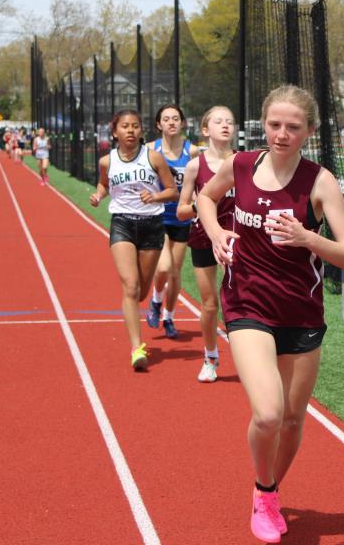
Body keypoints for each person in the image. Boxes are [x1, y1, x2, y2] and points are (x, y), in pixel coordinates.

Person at [196, 85, 344, 544]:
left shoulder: (319, 182)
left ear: (309, 131)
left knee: (291, 419)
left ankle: (266, 493)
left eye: (293, 126)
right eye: (274, 124)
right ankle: (266, 489)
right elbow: (206, 198)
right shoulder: (241, 165)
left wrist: (308, 238)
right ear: (263, 124)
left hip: (301, 312)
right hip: (247, 303)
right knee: (268, 414)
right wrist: (216, 234)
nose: (282, 134)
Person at [89, 110, 177, 370]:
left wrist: (155, 197)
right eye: (125, 126)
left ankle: (150, 302)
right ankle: (137, 348)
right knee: (130, 285)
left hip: (151, 225)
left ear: (141, 130)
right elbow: (103, 184)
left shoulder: (153, 157)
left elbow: (172, 191)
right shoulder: (107, 161)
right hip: (122, 224)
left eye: (135, 126)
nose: (130, 130)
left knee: (141, 291)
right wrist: (98, 195)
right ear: (115, 131)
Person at [176, 105, 236, 383]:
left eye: (230, 122)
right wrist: (202, 206)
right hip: (203, 236)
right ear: (205, 130)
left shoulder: (243, 162)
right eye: (218, 121)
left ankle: (251, 355)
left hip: (236, 237)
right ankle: (210, 357)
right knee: (210, 303)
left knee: (239, 300)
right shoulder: (195, 166)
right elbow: (181, 211)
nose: (225, 125)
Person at [145, 104, 199, 339]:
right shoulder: (150, 149)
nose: (171, 122)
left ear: (182, 123)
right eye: (166, 119)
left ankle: (169, 317)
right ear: (159, 125)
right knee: (164, 267)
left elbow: (200, 180)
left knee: (175, 273)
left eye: (175, 118)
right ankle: (156, 300)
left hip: (182, 217)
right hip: (157, 215)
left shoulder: (192, 151)